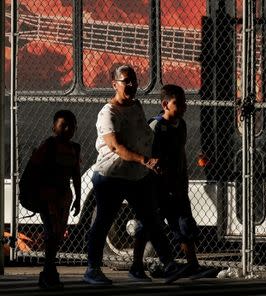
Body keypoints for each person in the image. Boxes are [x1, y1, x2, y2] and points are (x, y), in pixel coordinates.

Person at [84, 65, 176, 285]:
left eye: (134, 80)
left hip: (136, 176)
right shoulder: (108, 112)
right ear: (114, 84)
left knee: (151, 219)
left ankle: (169, 264)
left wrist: (151, 160)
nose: (132, 85)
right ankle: (92, 270)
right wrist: (145, 160)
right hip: (111, 177)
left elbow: (143, 136)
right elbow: (116, 147)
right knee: (103, 221)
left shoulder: (136, 106)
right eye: (126, 81)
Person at [148, 84, 202, 278]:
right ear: (165, 104)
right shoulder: (155, 126)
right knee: (151, 225)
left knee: (184, 223)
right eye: (178, 104)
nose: (183, 108)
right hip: (160, 187)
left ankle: (192, 263)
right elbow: (150, 158)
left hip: (178, 185)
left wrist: (182, 181)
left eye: (184, 103)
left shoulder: (182, 125)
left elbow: (180, 155)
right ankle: (141, 264)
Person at [31, 110, 81, 289]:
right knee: (51, 232)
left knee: (57, 234)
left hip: (64, 198)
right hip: (48, 197)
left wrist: (78, 197)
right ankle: (49, 272)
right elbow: (36, 169)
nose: (68, 129)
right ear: (54, 127)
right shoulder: (49, 145)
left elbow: (76, 174)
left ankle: (48, 272)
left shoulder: (75, 148)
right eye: (63, 125)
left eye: (71, 126)